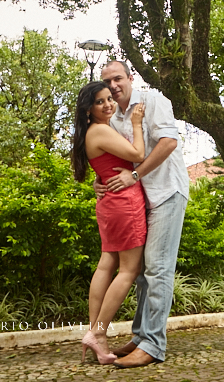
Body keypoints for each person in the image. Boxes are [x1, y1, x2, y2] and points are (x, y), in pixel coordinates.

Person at [98, 60, 190, 369]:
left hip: (166, 192)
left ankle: (153, 344)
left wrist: (135, 176)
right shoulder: (112, 119)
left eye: (117, 79)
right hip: (140, 202)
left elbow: (168, 142)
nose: (113, 86)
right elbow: (114, 159)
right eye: (107, 81)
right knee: (139, 273)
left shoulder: (152, 101)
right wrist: (100, 182)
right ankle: (140, 337)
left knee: (158, 269)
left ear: (130, 78)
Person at [71, 81, 148, 365]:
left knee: (107, 264)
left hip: (109, 203)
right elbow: (138, 155)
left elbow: (102, 165)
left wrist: (97, 181)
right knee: (129, 270)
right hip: (124, 202)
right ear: (89, 109)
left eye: (109, 99)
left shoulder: (91, 132)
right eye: (100, 102)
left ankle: (96, 334)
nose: (108, 105)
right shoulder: (101, 129)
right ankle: (97, 333)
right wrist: (137, 124)